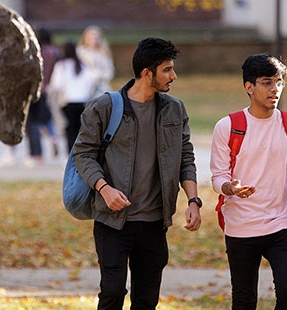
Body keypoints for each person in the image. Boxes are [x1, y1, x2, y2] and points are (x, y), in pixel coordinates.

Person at [71, 37, 201, 309]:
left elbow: (185, 157)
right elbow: (83, 154)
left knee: (146, 299)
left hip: (154, 222)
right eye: (167, 69)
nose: (173, 76)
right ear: (146, 73)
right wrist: (104, 189)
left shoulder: (174, 109)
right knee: (113, 292)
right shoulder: (105, 107)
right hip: (112, 220)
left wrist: (193, 201)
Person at [210, 53, 287, 309]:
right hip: (240, 224)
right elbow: (218, 176)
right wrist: (230, 188)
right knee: (244, 300)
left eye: (279, 81)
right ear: (249, 87)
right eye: (267, 82)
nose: (275, 89)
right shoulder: (228, 126)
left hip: (281, 222)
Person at [50, 41, 99, 153]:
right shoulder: (82, 66)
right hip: (82, 101)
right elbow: (92, 80)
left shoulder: (61, 66)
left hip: (67, 102)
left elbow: (56, 85)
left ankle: (71, 154)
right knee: (80, 130)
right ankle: (81, 154)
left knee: (70, 130)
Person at [25, 27, 61, 164]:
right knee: (47, 118)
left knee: (33, 122)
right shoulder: (55, 52)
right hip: (50, 90)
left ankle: (37, 154)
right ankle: (53, 137)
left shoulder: (34, 52)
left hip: (35, 90)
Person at [77, 25, 115, 97]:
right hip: (86, 88)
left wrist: (100, 76)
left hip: (102, 88)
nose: (94, 40)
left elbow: (110, 71)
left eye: (96, 37)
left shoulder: (104, 53)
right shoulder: (80, 52)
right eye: (91, 38)